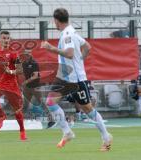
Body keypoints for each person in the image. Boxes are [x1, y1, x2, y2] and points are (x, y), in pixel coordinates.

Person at [41, 8, 112, 151]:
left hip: (76, 80)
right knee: (50, 102)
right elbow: (87, 47)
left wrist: (50, 48)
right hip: (64, 78)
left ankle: (106, 137)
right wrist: (81, 60)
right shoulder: (71, 31)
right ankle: (67, 132)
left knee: (88, 110)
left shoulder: (67, 34)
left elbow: (69, 53)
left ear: (56, 20)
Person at [0, 31, 27, 140]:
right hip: (0, 82)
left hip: (12, 84)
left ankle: (22, 131)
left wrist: (11, 72)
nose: (6, 40)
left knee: (17, 111)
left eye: (8, 38)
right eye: (4, 38)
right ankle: (2, 116)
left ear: (10, 40)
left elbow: (20, 70)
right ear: (0, 39)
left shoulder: (14, 53)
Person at [20, 49, 55, 127]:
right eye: (26, 53)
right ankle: (19, 121)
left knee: (42, 103)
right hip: (27, 87)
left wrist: (25, 82)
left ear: (31, 54)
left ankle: (52, 120)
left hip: (36, 87)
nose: (27, 55)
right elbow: (21, 72)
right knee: (25, 105)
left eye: (29, 53)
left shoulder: (34, 63)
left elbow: (35, 76)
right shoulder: (24, 63)